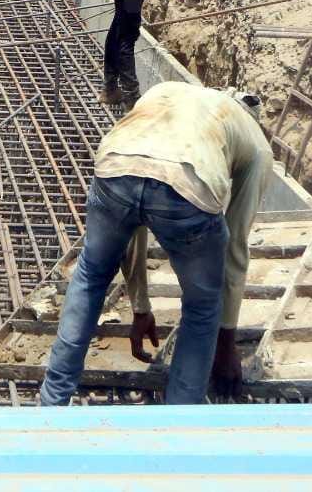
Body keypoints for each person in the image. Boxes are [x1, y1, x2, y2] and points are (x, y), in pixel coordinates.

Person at [39, 82, 272, 406]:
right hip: (187, 180)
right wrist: (226, 343)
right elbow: (235, 246)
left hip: (116, 165)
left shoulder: (168, 91)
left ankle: (52, 403)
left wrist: (141, 307)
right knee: (203, 306)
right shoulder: (257, 145)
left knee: (91, 276)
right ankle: (176, 425)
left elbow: (133, 222)